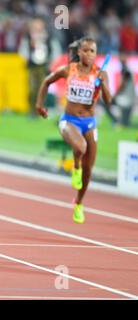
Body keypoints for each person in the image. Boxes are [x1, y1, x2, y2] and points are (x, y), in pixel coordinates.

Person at [36, 36, 112, 224]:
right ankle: (75, 165)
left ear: (96, 54)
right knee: (81, 147)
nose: (88, 54)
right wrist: (39, 105)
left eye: (92, 51)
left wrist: (103, 84)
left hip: (90, 123)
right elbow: (46, 81)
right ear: (78, 52)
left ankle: (78, 202)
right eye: (85, 50)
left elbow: (109, 101)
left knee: (89, 169)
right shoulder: (69, 70)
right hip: (69, 121)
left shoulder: (99, 73)